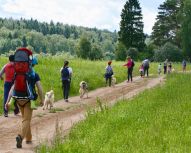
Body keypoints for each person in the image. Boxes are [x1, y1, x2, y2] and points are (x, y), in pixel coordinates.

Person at [5, 59, 43, 148]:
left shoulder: (18, 74)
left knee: (26, 119)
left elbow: (12, 89)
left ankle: (28, 138)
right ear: (32, 65)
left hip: (18, 99)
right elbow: (39, 88)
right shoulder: (34, 75)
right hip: (28, 101)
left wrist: (7, 101)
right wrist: (42, 99)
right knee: (26, 120)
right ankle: (20, 137)